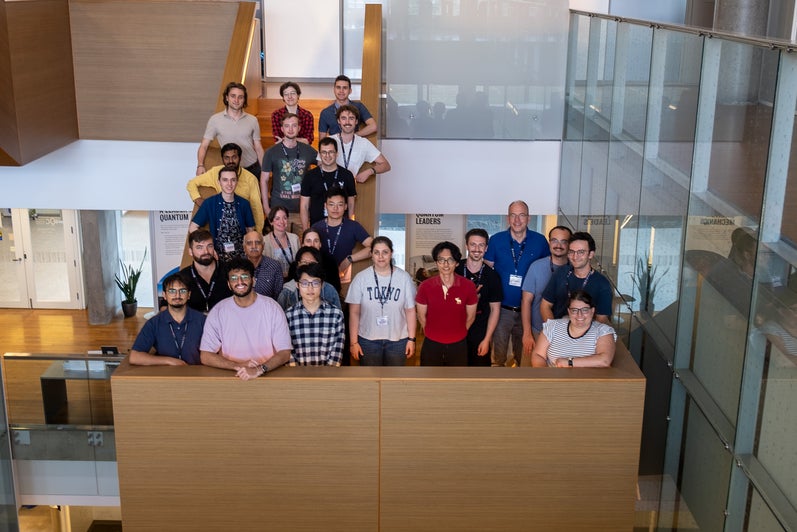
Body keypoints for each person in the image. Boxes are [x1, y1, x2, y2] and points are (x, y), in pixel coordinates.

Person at [199, 257, 291, 381]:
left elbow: (284, 352)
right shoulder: (218, 311)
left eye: (245, 276)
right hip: (233, 377)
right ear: (228, 284)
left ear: (253, 280)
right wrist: (238, 366)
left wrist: (259, 370)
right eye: (234, 278)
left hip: (268, 376)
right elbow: (206, 356)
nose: (240, 282)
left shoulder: (272, 308)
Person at [484, 200, 550, 367]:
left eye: (522, 215)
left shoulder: (540, 241)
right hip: (502, 311)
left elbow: (548, 269)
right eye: (513, 215)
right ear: (508, 218)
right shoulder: (496, 240)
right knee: (498, 358)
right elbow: (487, 270)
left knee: (524, 358)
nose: (517, 220)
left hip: (529, 312)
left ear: (528, 218)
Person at [346, 236, 417, 366]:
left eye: (385, 252)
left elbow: (410, 311)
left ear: (391, 253)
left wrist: (412, 339)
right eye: (376, 252)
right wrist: (353, 342)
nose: (381, 256)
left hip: (398, 340)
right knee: (370, 381)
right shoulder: (361, 279)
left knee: (395, 381)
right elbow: (354, 313)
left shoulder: (404, 278)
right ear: (371, 255)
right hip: (367, 340)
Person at [415, 241, 478, 366]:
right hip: (431, 344)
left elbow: (471, 316)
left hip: (459, 344)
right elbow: (421, 316)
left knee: (455, 383)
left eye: (450, 260)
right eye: (441, 260)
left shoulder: (468, 286)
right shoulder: (425, 287)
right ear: (436, 262)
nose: (445, 264)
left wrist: (458, 333)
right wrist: (433, 333)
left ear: (457, 262)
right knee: (429, 380)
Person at [129, 273, 206, 366]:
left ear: (189, 295)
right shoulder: (154, 323)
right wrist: (169, 361)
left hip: (197, 376)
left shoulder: (203, 320)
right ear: (164, 295)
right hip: (166, 377)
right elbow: (134, 357)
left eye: (182, 291)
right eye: (172, 291)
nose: (177, 295)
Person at [186, 142, 265, 232]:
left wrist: (258, 234)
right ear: (219, 181)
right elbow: (192, 183)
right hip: (220, 221)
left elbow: (257, 208)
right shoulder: (215, 172)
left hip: (241, 222)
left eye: (234, 157)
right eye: (227, 158)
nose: (230, 161)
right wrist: (198, 199)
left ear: (240, 158)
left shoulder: (251, 180)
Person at [520, 225, 572, 361]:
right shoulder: (536, 267)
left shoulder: (575, 269)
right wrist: (527, 333)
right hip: (537, 331)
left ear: (569, 244)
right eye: (554, 240)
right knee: (529, 377)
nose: (558, 245)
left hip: (568, 336)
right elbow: (526, 301)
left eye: (564, 241)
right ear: (549, 243)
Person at [540, 231, 613, 324]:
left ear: (590, 254)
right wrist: (554, 330)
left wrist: (580, 337)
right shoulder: (561, 273)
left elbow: (601, 320)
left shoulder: (602, 284)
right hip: (558, 331)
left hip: (587, 335)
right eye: (571, 252)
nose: (575, 256)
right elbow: (545, 305)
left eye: (581, 252)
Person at [455, 228, 502, 367]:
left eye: (481, 245)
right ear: (466, 246)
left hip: (480, 331)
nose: (477, 249)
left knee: (479, 373)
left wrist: (487, 339)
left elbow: (495, 310)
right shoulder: (455, 269)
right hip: (455, 328)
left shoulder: (492, 276)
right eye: (473, 244)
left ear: (486, 248)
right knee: (454, 371)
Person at [260, 113, 318, 226]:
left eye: (294, 125)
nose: (290, 129)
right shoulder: (271, 152)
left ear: (299, 128)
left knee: (301, 243)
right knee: (279, 243)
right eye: (287, 126)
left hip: (302, 210)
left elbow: (324, 167)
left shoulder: (308, 150)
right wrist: (266, 208)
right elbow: (264, 180)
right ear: (282, 129)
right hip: (278, 210)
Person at [532, 291, 616, 368]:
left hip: (588, 383)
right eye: (574, 310)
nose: (580, 315)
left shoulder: (603, 331)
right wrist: (545, 378)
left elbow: (604, 360)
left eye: (585, 310)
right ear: (569, 311)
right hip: (553, 381)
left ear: (592, 311)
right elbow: (538, 355)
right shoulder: (552, 326)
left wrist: (569, 362)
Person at [197, 82, 264, 178]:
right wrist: (200, 165)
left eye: (240, 97)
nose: (236, 100)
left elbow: (258, 147)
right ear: (227, 98)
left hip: (252, 169)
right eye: (233, 96)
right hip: (230, 171)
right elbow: (204, 145)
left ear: (244, 99)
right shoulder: (215, 120)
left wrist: (264, 169)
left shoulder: (253, 120)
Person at [188, 165, 255, 262]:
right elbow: (193, 227)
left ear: (237, 182)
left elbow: (250, 230)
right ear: (219, 182)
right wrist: (207, 249)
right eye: (225, 180)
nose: (229, 184)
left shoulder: (244, 203)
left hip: (241, 256)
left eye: (233, 180)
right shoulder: (210, 203)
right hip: (217, 257)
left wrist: (248, 251)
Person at [286, 263, 344, 366]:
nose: (310, 288)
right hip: (297, 377)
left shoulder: (336, 315)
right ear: (297, 285)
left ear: (322, 285)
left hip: (328, 377)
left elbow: (337, 352)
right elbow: (288, 351)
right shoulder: (288, 316)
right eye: (304, 283)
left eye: (315, 283)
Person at [311, 187, 373, 284]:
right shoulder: (316, 227)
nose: (335, 208)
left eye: (340, 205)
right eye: (331, 204)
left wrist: (349, 259)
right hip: (318, 279)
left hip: (343, 279)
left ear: (345, 206)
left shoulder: (353, 226)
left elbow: (374, 248)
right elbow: (307, 251)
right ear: (325, 206)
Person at [300, 137, 356, 230]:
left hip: (341, 228)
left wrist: (350, 226)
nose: (327, 155)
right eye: (324, 152)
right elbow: (304, 206)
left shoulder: (347, 175)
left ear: (337, 154)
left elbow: (351, 203)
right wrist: (307, 231)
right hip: (316, 228)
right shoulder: (310, 176)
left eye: (331, 152)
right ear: (319, 154)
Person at [330, 105, 391, 183]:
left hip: (350, 189)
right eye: (343, 118)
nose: (347, 122)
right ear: (339, 121)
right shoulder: (329, 140)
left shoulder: (364, 143)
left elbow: (386, 165)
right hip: (329, 188)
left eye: (351, 118)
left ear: (356, 121)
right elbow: (320, 165)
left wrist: (370, 171)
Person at [180, 229, 233, 313]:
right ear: (190, 251)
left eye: (209, 246)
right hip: (195, 325)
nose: (206, 251)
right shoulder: (182, 277)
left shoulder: (230, 271)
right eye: (199, 247)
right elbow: (167, 308)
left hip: (227, 323)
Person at [277, 246, 341, 311]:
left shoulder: (330, 290)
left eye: (312, 263)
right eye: (304, 262)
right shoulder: (287, 292)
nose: (308, 266)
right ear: (297, 265)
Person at [318, 74, 377, 139]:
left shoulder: (358, 107)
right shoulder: (326, 113)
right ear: (334, 90)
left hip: (354, 146)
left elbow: (373, 126)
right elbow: (322, 140)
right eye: (338, 87)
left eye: (345, 88)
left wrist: (354, 136)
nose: (341, 91)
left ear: (350, 91)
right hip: (335, 147)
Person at [262, 206, 300, 280]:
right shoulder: (264, 241)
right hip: (273, 281)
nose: (282, 221)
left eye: (284, 218)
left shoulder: (295, 238)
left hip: (293, 280)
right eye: (277, 218)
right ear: (271, 222)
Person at [243, 230, 283, 300]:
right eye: (249, 243)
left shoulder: (274, 266)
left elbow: (278, 296)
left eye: (257, 242)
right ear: (244, 247)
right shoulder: (237, 267)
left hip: (268, 308)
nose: (254, 246)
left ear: (263, 246)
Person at [302, 227, 341, 292]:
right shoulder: (295, 264)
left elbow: (336, 288)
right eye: (308, 241)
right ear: (302, 245)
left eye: (316, 241)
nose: (312, 245)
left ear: (320, 244)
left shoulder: (330, 263)